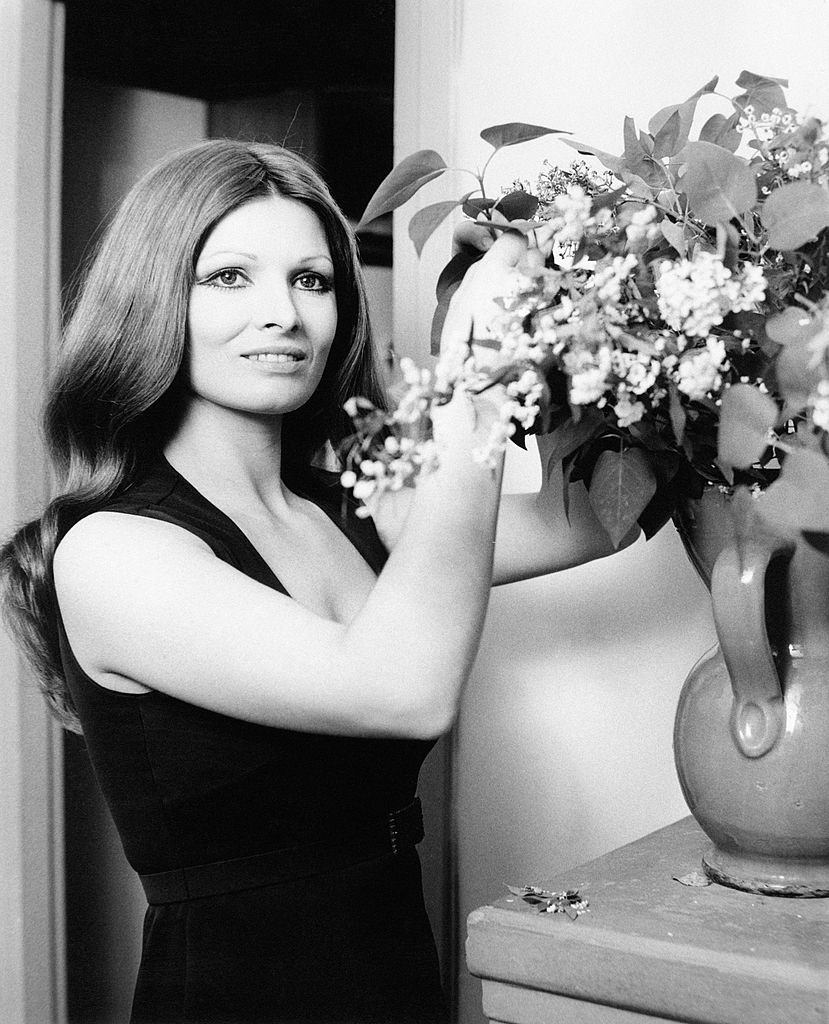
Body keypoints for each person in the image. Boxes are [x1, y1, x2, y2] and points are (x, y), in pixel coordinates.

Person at [0, 139, 623, 1024]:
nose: (282, 314)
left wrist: (574, 326)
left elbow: (589, 518)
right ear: (152, 300)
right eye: (229, 278)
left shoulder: (357, 505)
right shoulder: (112, 552)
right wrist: (473, 388)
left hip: (393, 970)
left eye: (313, 280)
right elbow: (402, 691)